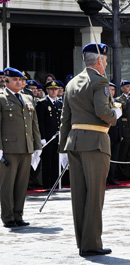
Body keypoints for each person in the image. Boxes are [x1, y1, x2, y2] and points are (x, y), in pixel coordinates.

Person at [59, 43, 122, 256]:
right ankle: (92, 243)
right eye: (104, 60)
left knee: (79, 195)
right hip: (95, 142)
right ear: (98, 61)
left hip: (74, 142)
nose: (105, 64)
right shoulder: (99, 81)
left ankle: (83, 242)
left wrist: (62, 149)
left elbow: (64, 119)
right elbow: (103, 112)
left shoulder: (71, 83)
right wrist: (116, 114)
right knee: (95, 195)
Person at [0, 67, 42, 228]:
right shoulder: (2, 98)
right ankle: (8, 217)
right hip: (9, 148)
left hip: (26, 148)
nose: (19, 83)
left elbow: (34, 124)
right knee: (7, 184)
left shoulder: (28, 98)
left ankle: (18, 214)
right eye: (16, 80)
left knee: (21, 184)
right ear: (6, 81)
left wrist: (37, 146)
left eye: (21, 80)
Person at [36, 80, 63, 189]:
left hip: (58, 138)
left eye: (56, 89)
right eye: (51, 89)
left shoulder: (60, 103)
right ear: (47, 90)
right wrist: (42, 138)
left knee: (57, 162)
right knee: (47, 161)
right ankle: (47, 184)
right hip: (47, 138)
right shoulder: (42, 103)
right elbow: (40, 122)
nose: (54, 91)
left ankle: (55, 183)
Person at [117, 80, 130, 180]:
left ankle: (128, 173)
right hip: (124, 126)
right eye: (127, 86)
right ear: (122, 88)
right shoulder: (119, 100)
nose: (129, 88)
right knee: (123, 151)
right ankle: (121, 173)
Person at [107, 82, 122, 186]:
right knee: (106, 159)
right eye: (110, 90)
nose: (112, 92)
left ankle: (112, 178)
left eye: (113, 90)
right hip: (107, 133)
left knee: (114, 158)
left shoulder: (117, 102)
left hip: (116, 134)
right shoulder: (103, 102)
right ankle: (105, 179)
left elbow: (120, 121)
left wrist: (120, 134)